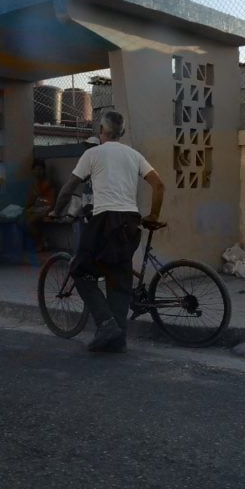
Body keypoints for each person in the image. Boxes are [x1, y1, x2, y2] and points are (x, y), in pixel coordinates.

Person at [51, 111, 164, 353]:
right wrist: (153, 215)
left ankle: (105, 322)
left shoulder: (92, 153)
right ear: (121, 133)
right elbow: (159, 184)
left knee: (79, 270)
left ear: (101, 131)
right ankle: (118, 337)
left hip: (104, 220)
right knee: (118, 278)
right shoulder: (134, 155)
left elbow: (69, 187)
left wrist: (55, 211)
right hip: (130, 223)